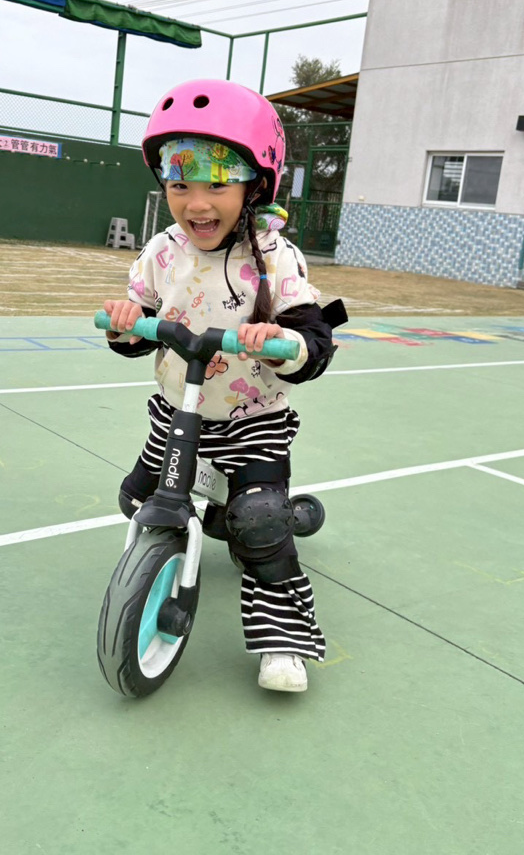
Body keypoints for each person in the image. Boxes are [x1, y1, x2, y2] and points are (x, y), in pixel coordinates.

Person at [103, 78, 345, 693]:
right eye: (180, 184)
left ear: (254, 185)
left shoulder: (274, 256)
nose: (196, 203)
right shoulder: (163, 251)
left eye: (216, 184)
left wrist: (284, 342)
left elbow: (313, 339)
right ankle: (216, 518)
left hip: (251, 420)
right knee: (137, 499)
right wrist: (128, 324)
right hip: (176, 411)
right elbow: (138, 327)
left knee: (260, 523)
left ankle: (283, 640)